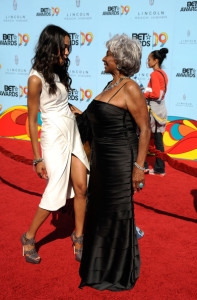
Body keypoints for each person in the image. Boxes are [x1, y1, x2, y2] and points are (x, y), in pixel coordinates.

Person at [71, 34, 151, 291]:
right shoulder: (109, 87)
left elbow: (145, 130)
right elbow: (96, 122)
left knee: (117, 214)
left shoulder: (130, 88)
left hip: (119, 162)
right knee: (100, 213)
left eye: (107, 54)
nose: (103, 58)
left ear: (119, 59)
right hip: (102, 162)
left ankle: (117, 272)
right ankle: (99, 266)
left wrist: (138, 168)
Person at [21, 25, 89, 264]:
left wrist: (84, 114)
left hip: (72, 131)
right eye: (64, 47)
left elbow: (64, 105)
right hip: (52, 137)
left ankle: (78, 236)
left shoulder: (58, 71)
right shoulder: (35, 78)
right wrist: (37, 158)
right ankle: (29, 237)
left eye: (69, 47)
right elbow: (31, 120)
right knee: (56, 192)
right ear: (51, 47)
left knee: (82, 187)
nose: (68, 52)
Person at [143, 48, 169, 176]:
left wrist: (143, 94)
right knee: (158, 140)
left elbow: (155, 94)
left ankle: (144, 166)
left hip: (153, 111)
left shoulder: (154, 74)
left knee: (143, 137)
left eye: (149, 59)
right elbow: (160, 94)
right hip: (161, 109)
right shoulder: (163, 74)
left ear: (155, 60)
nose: (147, 61)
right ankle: (160, 169)